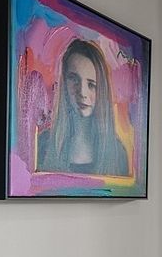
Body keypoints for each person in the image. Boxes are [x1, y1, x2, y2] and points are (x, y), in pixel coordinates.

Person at [37, 39, 129, 176]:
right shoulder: (43, 144)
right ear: (64, 84)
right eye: (74, 79)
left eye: (91, 85)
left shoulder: (118, 153)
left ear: (102, 91)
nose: (82, 93)